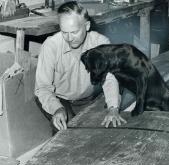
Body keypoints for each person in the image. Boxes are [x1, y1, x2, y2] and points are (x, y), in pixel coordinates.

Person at [35, 1, 126, 133]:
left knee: (105, 128)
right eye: (64, 32)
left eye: (74, 32)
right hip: (60, 99)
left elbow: (109, 79)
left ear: (87, 26)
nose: (69, 38)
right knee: (67, 131)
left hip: (90, 96)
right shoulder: (51, 46)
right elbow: (42, 88)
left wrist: (113, 108)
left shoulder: (101, 43)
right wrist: (57, 109)